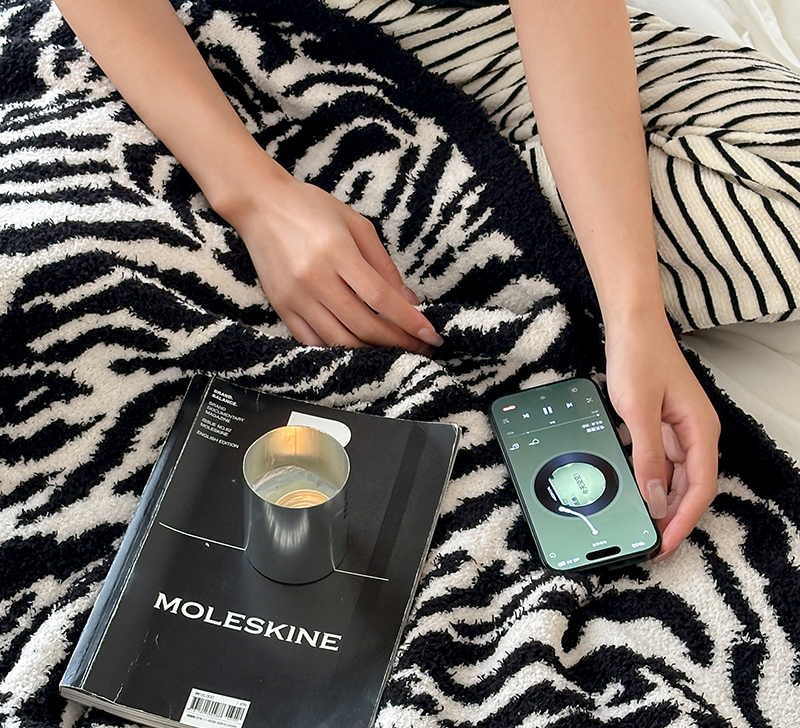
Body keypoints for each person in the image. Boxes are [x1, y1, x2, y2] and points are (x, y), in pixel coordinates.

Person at [52, 0, 720, 561]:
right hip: (202, 48)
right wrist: (254, 199)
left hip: (460, 32)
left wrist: (635, 317)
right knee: (83, 296)